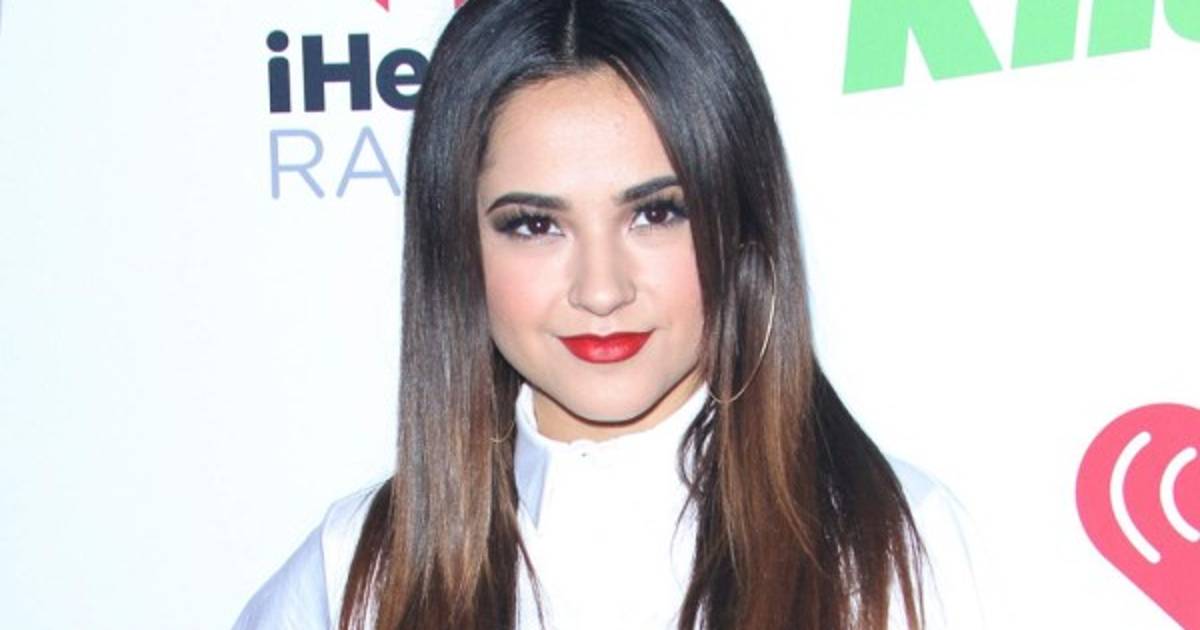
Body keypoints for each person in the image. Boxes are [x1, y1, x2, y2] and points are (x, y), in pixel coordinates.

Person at [233, 0, 984, 629]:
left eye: (656, 213)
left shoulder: (887, 547)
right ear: (458, 248)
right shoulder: (358, 573)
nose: (601, 289)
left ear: (739, 223)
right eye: (535, 224)